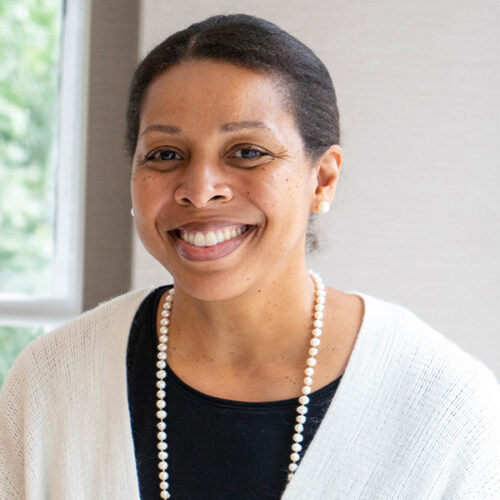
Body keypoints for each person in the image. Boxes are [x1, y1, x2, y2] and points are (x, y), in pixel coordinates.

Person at [0, 13, 499, 500]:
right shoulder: (51, 384)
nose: (199, 190)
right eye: (165, 155)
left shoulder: (447, 409)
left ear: (322, 179)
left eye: (247, 152)